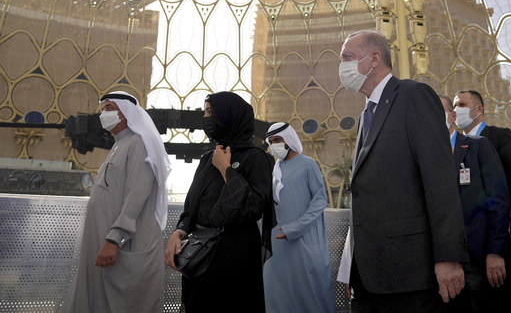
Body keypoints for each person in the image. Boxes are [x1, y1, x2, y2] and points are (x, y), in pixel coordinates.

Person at [339, 30, 468, 313]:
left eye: (347, 58)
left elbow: (439, 179)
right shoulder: (365, 115)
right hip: (370, 276)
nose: (342, 67)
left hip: (408, 274)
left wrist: (448, 257)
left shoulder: (413, 96)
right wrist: (351, 267)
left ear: (374, 58)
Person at [164, 92, 275, 312]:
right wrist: (179, 232)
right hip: (200, 256)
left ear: (228, 116)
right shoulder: (208, 158)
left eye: (210, 113)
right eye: (205, 112)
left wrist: (226, 169)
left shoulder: (256, 157)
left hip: (235, 258)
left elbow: (253, 207)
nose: (206, 119)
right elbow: (192, 206)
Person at [62, 91, 171, 313]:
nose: (104, 114)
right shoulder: (120, 144)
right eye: (103, 109)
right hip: (111, 248)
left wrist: (114, 239)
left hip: (126, 247)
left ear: (127, 113)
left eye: (110, 108)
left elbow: (136, 198)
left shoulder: (139, 144)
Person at [452, 90, 511, 312]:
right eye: (454, 105)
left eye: (462, 104)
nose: (457, 110)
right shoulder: (456, 147)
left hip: (509, 238)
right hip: (480, 242)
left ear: (479, 109)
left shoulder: (499, 136)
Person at [440, 94, 511, 312]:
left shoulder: (478, 146)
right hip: (443, 263)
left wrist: (495, 251)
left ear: (451, 116)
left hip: (479, 258)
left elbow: (498, 200)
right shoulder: (422, 157)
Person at [262, 122, 336, 313]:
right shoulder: (275, 170)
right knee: (278, 300)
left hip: (304, 243)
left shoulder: (308, 164)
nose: (274, 145)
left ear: (289, 139)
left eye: (277, 140)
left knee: (311, 299)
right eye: (271, 142)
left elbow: (319, 201)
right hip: (277, 247)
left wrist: (294, 228)